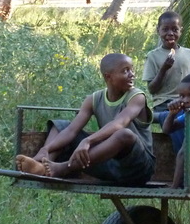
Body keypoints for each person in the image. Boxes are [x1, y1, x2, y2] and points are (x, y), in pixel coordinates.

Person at [15, 53, 155, 185]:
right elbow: (71, 130)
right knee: (61, 125)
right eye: (125, 71)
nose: (132, 75)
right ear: (108, 77)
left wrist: (88, 140)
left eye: (132, 70)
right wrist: (47, 148)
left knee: (124, 134)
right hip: (107, 164)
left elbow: (119, 124)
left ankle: (63, 168)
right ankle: (43, 165)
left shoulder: (137, 96)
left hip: (138, 168)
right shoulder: (94, 99)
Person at [142, 11, 190, 120]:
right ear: (158, 30)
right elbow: (152, 89)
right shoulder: (153, 56)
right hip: (163, 103)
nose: (170, 33)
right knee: (179, 120)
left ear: (181, 31)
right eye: (165, 29)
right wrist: (163, 69)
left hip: (186, 101)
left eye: (175, 29)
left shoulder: (189, 54)